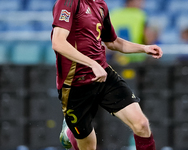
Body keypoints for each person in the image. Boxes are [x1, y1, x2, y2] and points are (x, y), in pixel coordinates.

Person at [51, 0, 163, 150]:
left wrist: (144, 48)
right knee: (88, 146)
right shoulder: (69, 2)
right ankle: (70, 131)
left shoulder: (101, 5)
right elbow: (58, 42)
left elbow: (113, 42)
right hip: (75, 84)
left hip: (104, 74)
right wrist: (92, 64)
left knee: (141, 124)